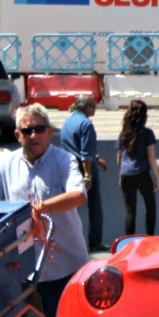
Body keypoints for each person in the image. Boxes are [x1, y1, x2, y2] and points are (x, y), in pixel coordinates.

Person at [0, 104, 88, 317]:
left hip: (64, 265)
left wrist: (41, 207)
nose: (34, 136)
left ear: (49, 132)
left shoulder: (63, 160)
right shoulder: (6, 165)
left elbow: (79, 196)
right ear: (17, 135)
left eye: (39, 129)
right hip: (22, 266)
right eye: (27, 131)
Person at [60, 94, 107, 251]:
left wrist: (97, 157)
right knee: (95, 208)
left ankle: (68, 241)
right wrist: (88, 175)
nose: (95, 108)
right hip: (84, 168)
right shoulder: (86, 124)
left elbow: (76, 146)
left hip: (68, 167)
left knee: (70, 207)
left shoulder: (68, 121)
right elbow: (85, 152)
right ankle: (95, 243)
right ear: (85, 107)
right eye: (93, 105)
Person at [117, 99, 159, 235]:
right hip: (141, 174)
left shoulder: (123, 133)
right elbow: (151, 157)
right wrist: (156, 176)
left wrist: (121, 174)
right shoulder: (147, 133)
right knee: (151, 207)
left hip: (126, 174)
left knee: (130, 211)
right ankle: (150, 237)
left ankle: (128, 242)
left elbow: (119, 157)